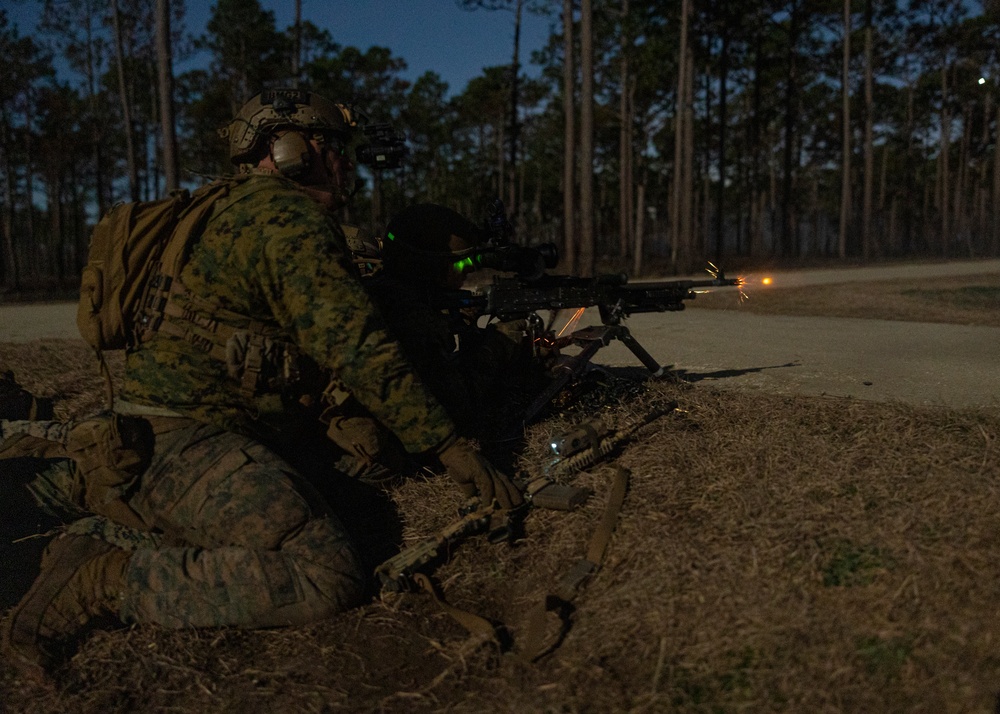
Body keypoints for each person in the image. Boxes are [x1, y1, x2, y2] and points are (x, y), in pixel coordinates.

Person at [1, 88, 521, 679]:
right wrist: (450, 447)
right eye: (333, 150)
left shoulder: (220, 207)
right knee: (326, 574)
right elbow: (356, 346)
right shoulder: (286, 217)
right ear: (294, 149)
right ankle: (102, 576)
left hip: (161, 426)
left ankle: (91, 486)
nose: (344, 167)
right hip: (192, 441)